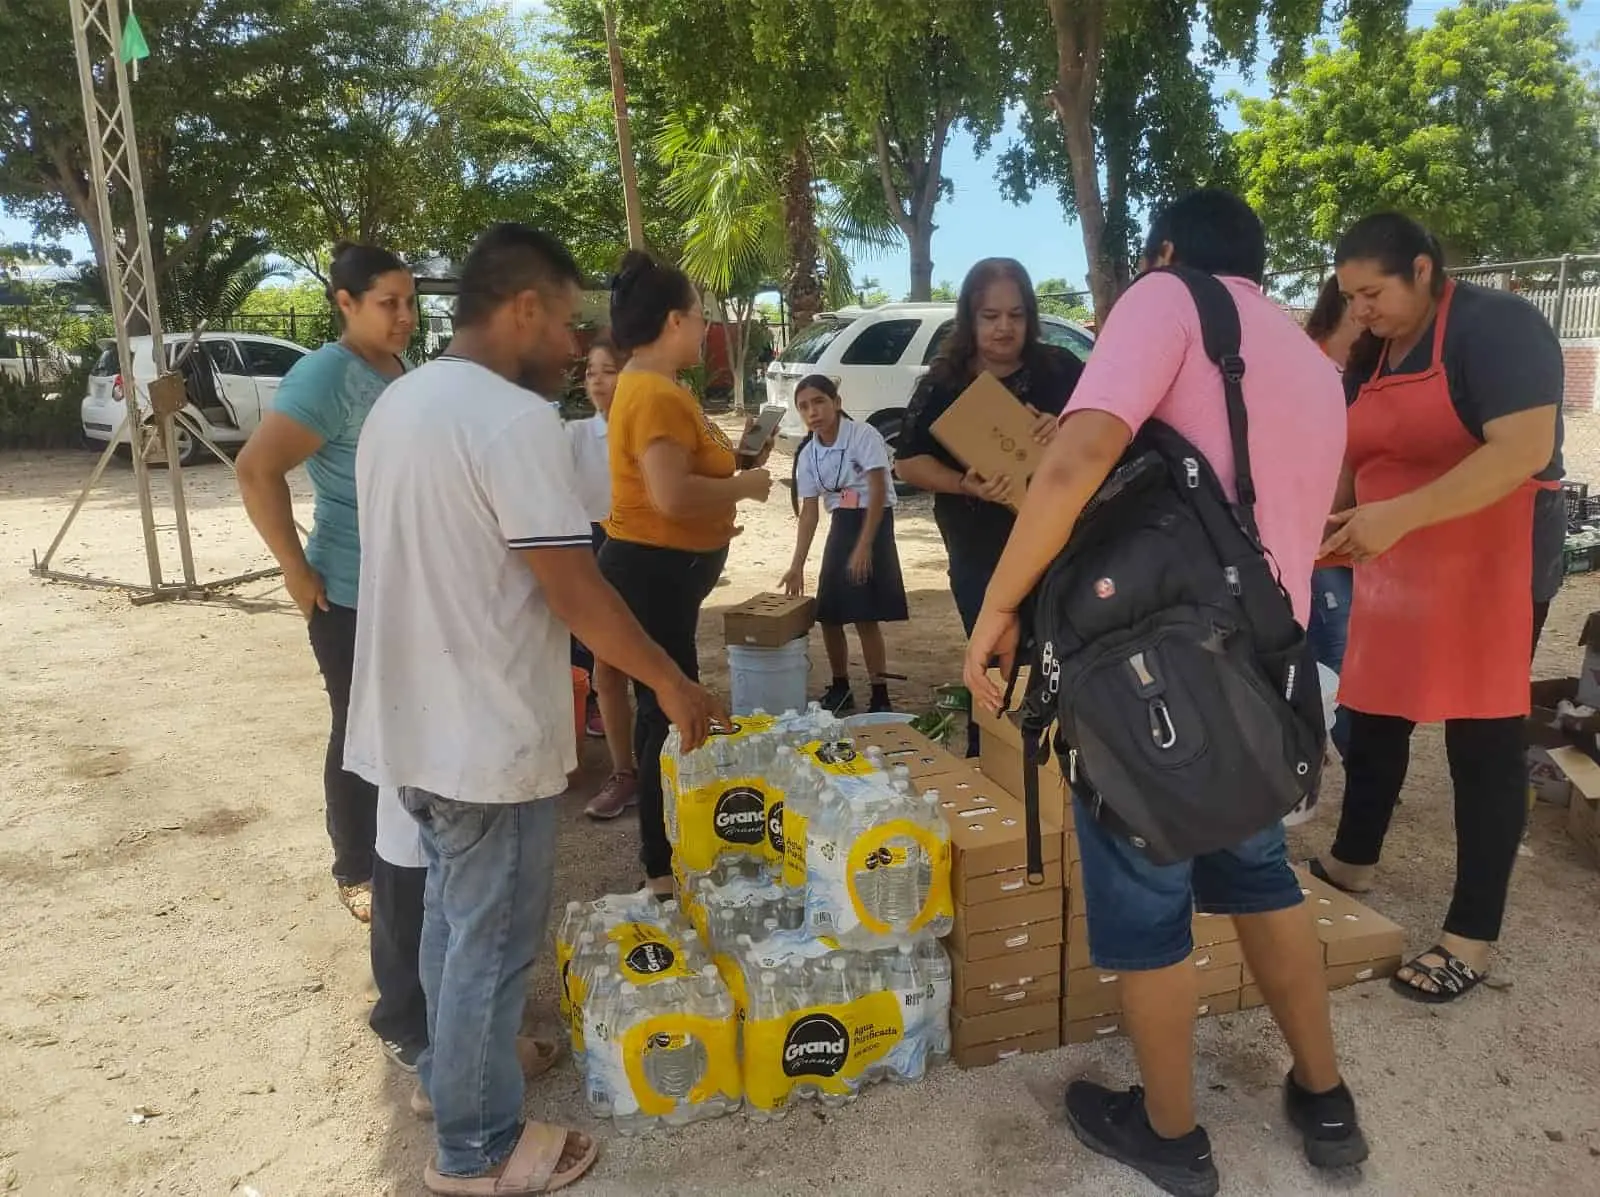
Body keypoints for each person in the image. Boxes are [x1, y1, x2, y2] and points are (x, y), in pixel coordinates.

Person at [964, 190, 1366, 1197]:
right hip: (1258, 675)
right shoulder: (1309, 363)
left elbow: (1077, 461)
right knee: (1260, 874)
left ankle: (1171, 1136)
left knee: (1147, 892)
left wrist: (996, 608)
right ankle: (1324, 1102)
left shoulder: (1164, 298)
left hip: (1152, 675)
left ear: (1166, 250)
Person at [343, 223, 723, 1195]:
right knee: (493, 942)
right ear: (520, 309)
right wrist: (671, 681)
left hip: (412, 723)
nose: (570, 346)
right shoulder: (509, 422)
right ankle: (476, 1150)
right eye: (560, 321)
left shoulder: (404, 402)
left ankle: (447, 1076)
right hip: (484, 733)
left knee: (447, 927)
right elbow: (576, 591)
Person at [1310, 213, 1563, 1004]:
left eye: (1373, 292)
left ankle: (1471, 933)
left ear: (1423, 270)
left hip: (1494, 560)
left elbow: (1521, 451)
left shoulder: (1498, 327)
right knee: (1376, 713)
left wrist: (1399, 515)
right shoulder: (1374, 349)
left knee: (1480, 744)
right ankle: (1354, 859)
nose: (1362, 310)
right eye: (1351, 295)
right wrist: (1333, 519)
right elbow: (1355, 446)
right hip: (1395, 560)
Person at [237, 241, 414, 926]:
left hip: (403, 589)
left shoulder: (399, 366)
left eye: (408, 302)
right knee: (358, 727)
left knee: (401, 723)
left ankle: (400, 847)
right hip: (347, 588)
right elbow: (255, 470)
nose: (403, 316)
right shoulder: (325, 375)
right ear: (345, 303)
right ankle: (357, 866)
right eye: (387, 304)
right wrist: (294, 566)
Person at [599, 250, 773, 897]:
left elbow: (689, 474)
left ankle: (666, 856)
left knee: (665, 709)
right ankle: (662, 867)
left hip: (663, 575)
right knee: (669, 713)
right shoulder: (653, 394)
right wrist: (748, 487)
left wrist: (740, 458)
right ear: (675, 320)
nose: (705, 330)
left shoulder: (658, 390)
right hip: (652, 574)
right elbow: (670, 496)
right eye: (702, 318)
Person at [895, 258, 1084, 752]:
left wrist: (1067, 427)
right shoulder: (942, 382)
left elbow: (1112, 433)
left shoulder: (1061, 370)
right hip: (979, 550)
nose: (1004, 327)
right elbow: (908, 463)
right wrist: (965, 484)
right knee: (995, 663)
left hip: (1058, 548)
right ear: (970, 318)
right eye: (990, 316)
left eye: (1016, 315)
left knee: (1059, 658)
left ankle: (1061, 775)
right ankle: (995, 767)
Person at [780, 374, 908, 713]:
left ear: (836, 403)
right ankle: (841, 686)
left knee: (865, 615)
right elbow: (809, 513)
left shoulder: (863, 434)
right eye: (804, 406)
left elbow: (878, 490)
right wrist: (797, 564)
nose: (813, 411)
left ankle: (880, 692)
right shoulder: (808, 454)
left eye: (819, 402)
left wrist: (865, 545)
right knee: (830, 613)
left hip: (873, 521)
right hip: (843, 522)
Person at [565, 333, 641, 820]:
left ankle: (672, 767)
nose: (596, 379)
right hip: (594, 540)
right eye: (591, 371)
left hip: (650, 543)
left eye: (608, 370)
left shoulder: (650, 430)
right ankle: (624, 772)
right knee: (605, 665)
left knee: (662, 664)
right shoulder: (574, 436)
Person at [1302, 276, 1363, 759]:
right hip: (1317, 545)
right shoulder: (1307, 368)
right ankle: (1360, 763)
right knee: (1339, 658)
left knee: (1340, 655)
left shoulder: (1361, 371)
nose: (1368, 318)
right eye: (1359, 306)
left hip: (1352, 542)